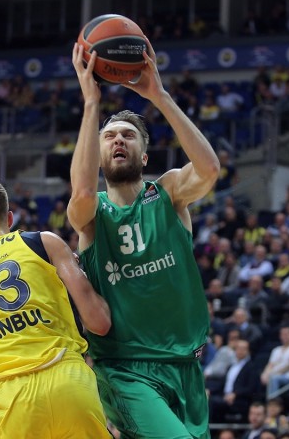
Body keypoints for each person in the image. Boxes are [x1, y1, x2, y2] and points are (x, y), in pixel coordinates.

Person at [69, 40, 220, 438]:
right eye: (110, 136)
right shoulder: (90, 216)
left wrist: (160, 96)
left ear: (145, 157)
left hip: (186, 367)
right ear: (98, 157)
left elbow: (208, 170)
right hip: (125, 370)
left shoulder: (168, 193)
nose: (118, 140)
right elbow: (81, 194)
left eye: (129, 136)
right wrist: (90, 106)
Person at [0, 179, 112, 439]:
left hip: (10, 399)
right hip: (67, 381)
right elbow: (98, 322)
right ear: (9, 219)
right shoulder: (43, 243)